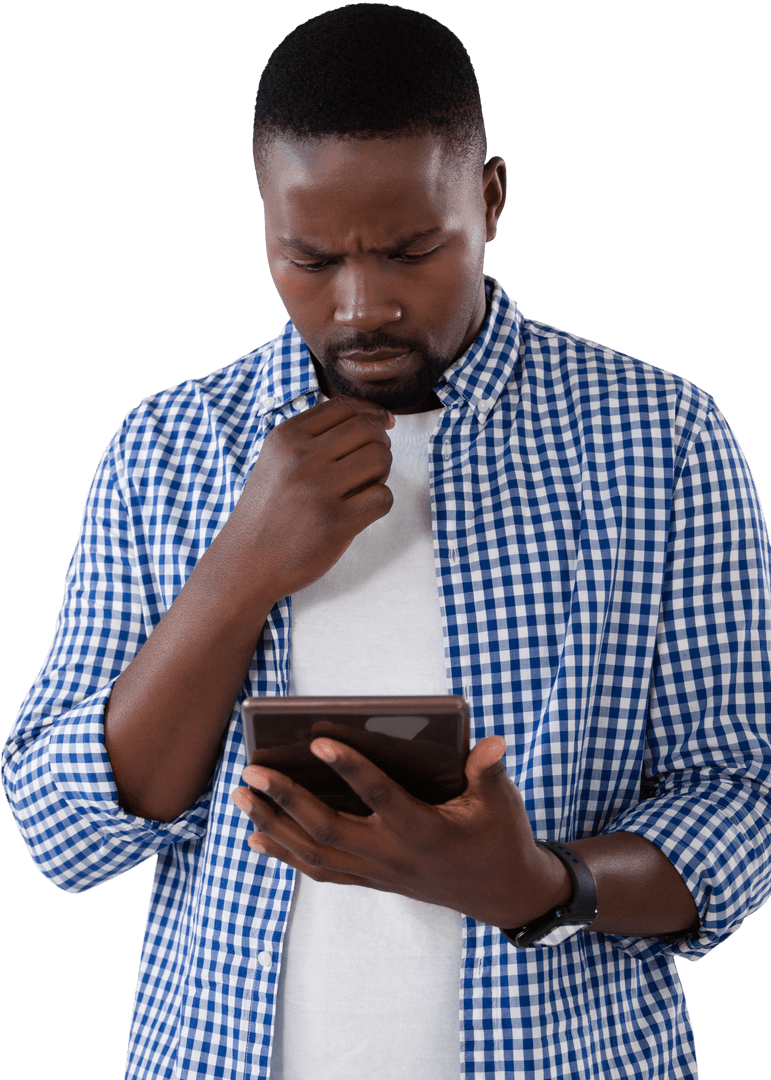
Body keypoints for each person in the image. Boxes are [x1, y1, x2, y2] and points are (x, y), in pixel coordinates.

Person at [2, 4, 770, 1078]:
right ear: (263, 224)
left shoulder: (661, 437)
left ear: (490, 199)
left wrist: (540, 887)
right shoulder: (166, 448)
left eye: (413, 250)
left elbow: (743, 793)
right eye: (309, 259)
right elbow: (61, 834)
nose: (362, 308)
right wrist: (236, 576)